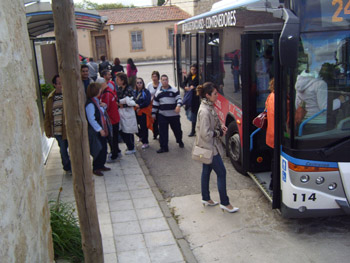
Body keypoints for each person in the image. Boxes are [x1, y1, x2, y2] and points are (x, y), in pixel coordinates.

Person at [195, 82, 239, 213]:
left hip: (208, 147)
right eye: (215, 94)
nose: (217, 96)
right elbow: (205, 133)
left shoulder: (207, 106)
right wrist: (219, 133)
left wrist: (221, 127)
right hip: (210, 148)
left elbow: (212, 124)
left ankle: (206, 198)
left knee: (206, 171)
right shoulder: (204, 111)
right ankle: (225, 203)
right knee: (221, 173)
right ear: (207, 95)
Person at [44, 75, 71, 175]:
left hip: (67, 128)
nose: (61, 85)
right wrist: (47, 130)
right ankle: (67, 167)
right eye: (59, 83)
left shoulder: (67, 96)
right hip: (57, 130)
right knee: (63, 149)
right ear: (54, 85)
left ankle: (73, 166)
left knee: (72, 149)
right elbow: (47, 115)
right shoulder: (50, 98)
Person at [152, 74, 184, 153]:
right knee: (163, 132)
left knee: (177, 131)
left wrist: (178, 106)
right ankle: (164, 147)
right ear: (161, 81)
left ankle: (179, 141)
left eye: (166, 80)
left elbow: (179, 99)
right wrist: (153, 114)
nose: (165, 81)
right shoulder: (158, 93)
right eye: (163, 80)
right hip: (162, 115)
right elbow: (155, 104)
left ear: (168, 81)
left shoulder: (174, 90)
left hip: (174, 115)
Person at [85, 82, 111, 176]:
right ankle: (96, 167)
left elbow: (101, 113)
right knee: (98, 148)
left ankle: (101, 165)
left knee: (103, 147)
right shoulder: (90, 104)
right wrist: (100, 129)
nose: (101, 90)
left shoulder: (96, 101)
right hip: (96, 131)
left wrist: (104, 106)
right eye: (99, 89)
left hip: (101, 128)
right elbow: (91, 119)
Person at [97, 77, 121, 163]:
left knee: (112, 138)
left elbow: (105, 107)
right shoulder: (109, 91)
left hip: (112, 120)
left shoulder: (106, 94)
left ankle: (114, 155)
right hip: (114, 118)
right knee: (114, 137)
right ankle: (117, 151)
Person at [116, 72, 138, 154]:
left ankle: (131, 147)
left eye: (118, 79)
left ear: (122, 80)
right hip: (122, 113)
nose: (116, 81)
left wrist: (123, 104)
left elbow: (133, 101)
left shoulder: (129, 89)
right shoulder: (119, 89)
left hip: (128, 112)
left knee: (127, 131)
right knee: (124, 130)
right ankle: (130, 146)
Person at [134, 78, 152, 149]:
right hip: (135, 111)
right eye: (137, 83)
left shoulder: (146, 92)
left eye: (140, 82)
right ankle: (141, 136)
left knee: (144, 127)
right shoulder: (134, 92)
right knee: (135, 126)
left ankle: (145, 142)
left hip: (143, 112)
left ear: (143, 83)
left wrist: (140, 107)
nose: (139, 84)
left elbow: (147, 102)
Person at [183, 64, 200, 137]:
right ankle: (193, 130)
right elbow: (183, 83)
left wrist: (195, 87)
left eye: (194, 69)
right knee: (193, 114)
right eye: (192, 69)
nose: (193, 71)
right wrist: (185, 87)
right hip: (190, 98)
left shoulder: (199, 76)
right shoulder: (189, 76)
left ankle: (196, 130)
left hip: (197, 98)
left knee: (197, 114)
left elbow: (202, 85)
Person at [265, 79, 275, 190]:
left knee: (273, 160)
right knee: (276, 162)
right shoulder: (284, 100)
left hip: (270, 135)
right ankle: (273, 184)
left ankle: (272, 183)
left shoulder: (270, 96)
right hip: (277, 138)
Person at [146, 71, 162, 139]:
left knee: (160, 121)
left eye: (155, 76)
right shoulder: (149, 85)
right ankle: (155, 134)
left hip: (160, 106)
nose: (154, 78)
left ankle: (160, 134)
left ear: (158, 77)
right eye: (153, 76)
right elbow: (146, 94)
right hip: (151, 106)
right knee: (153, 121)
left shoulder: (161, 85)